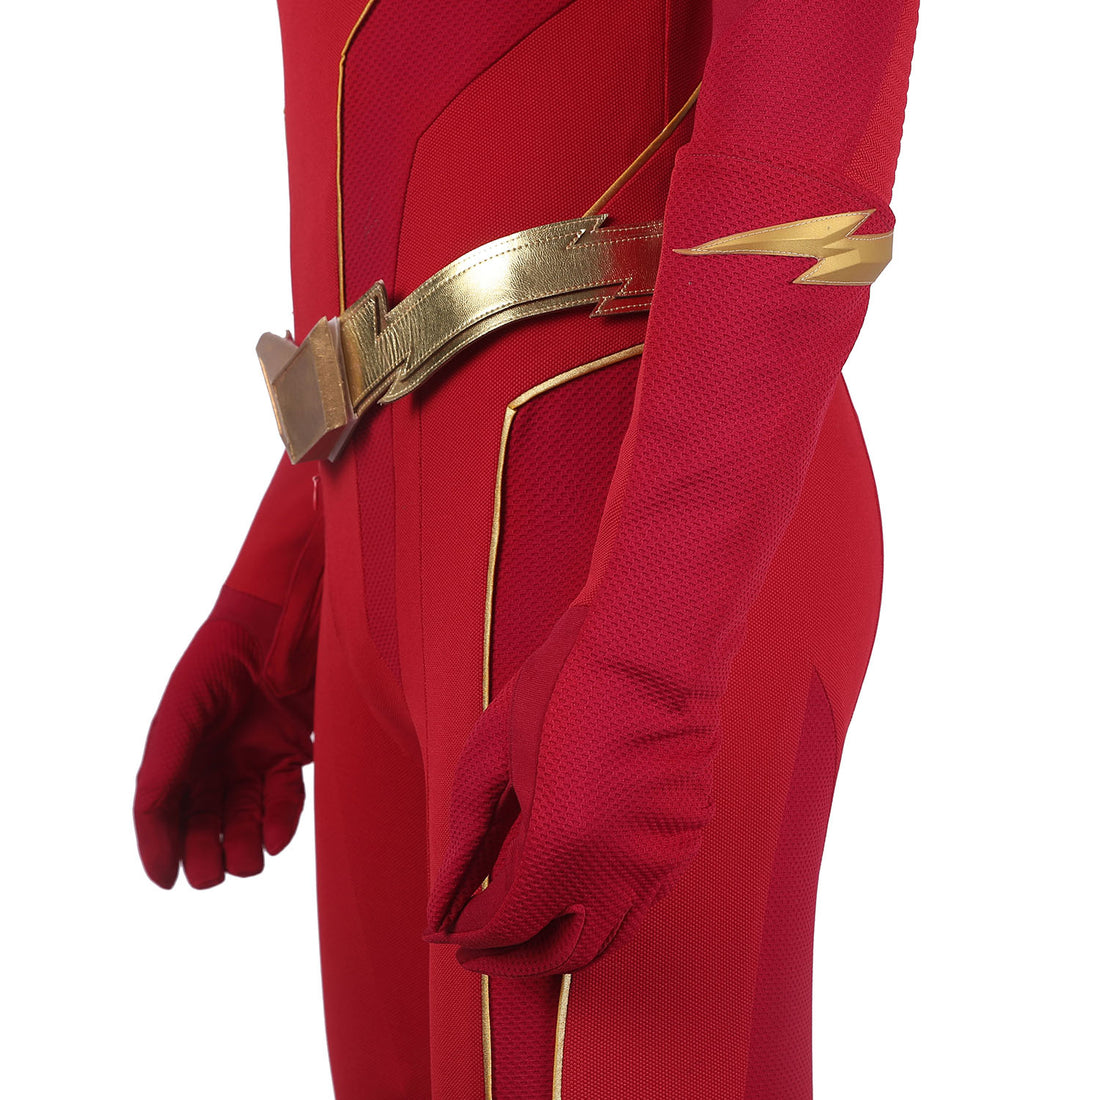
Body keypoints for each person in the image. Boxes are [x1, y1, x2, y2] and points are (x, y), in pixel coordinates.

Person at [133, 1, 921, 1097]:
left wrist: (648, 661)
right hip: (389, 553)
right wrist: (285, 583)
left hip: (623, 530)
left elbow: (807, 134)